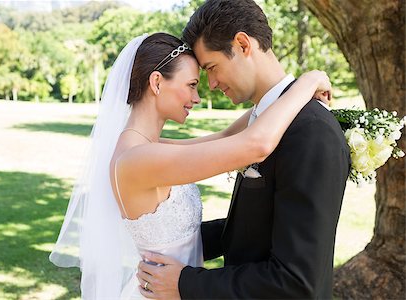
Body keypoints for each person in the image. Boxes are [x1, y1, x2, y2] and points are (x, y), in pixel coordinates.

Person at [49, 30, 332, 299]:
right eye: (191, 85)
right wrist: (308, 81)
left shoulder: (149, 149)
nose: (197, 97)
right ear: (157, 82)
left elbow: (225, 136)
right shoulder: (139, 160)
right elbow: (254, 145)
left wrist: (279, 97)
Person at [137, 0, 351, 299]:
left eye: (212, 67)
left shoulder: (309, 131)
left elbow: (297, 282)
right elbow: (259, 225)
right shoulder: (265, 118)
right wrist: (170, 240)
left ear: (242, 44)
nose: (210, 84)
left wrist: (187, 284)